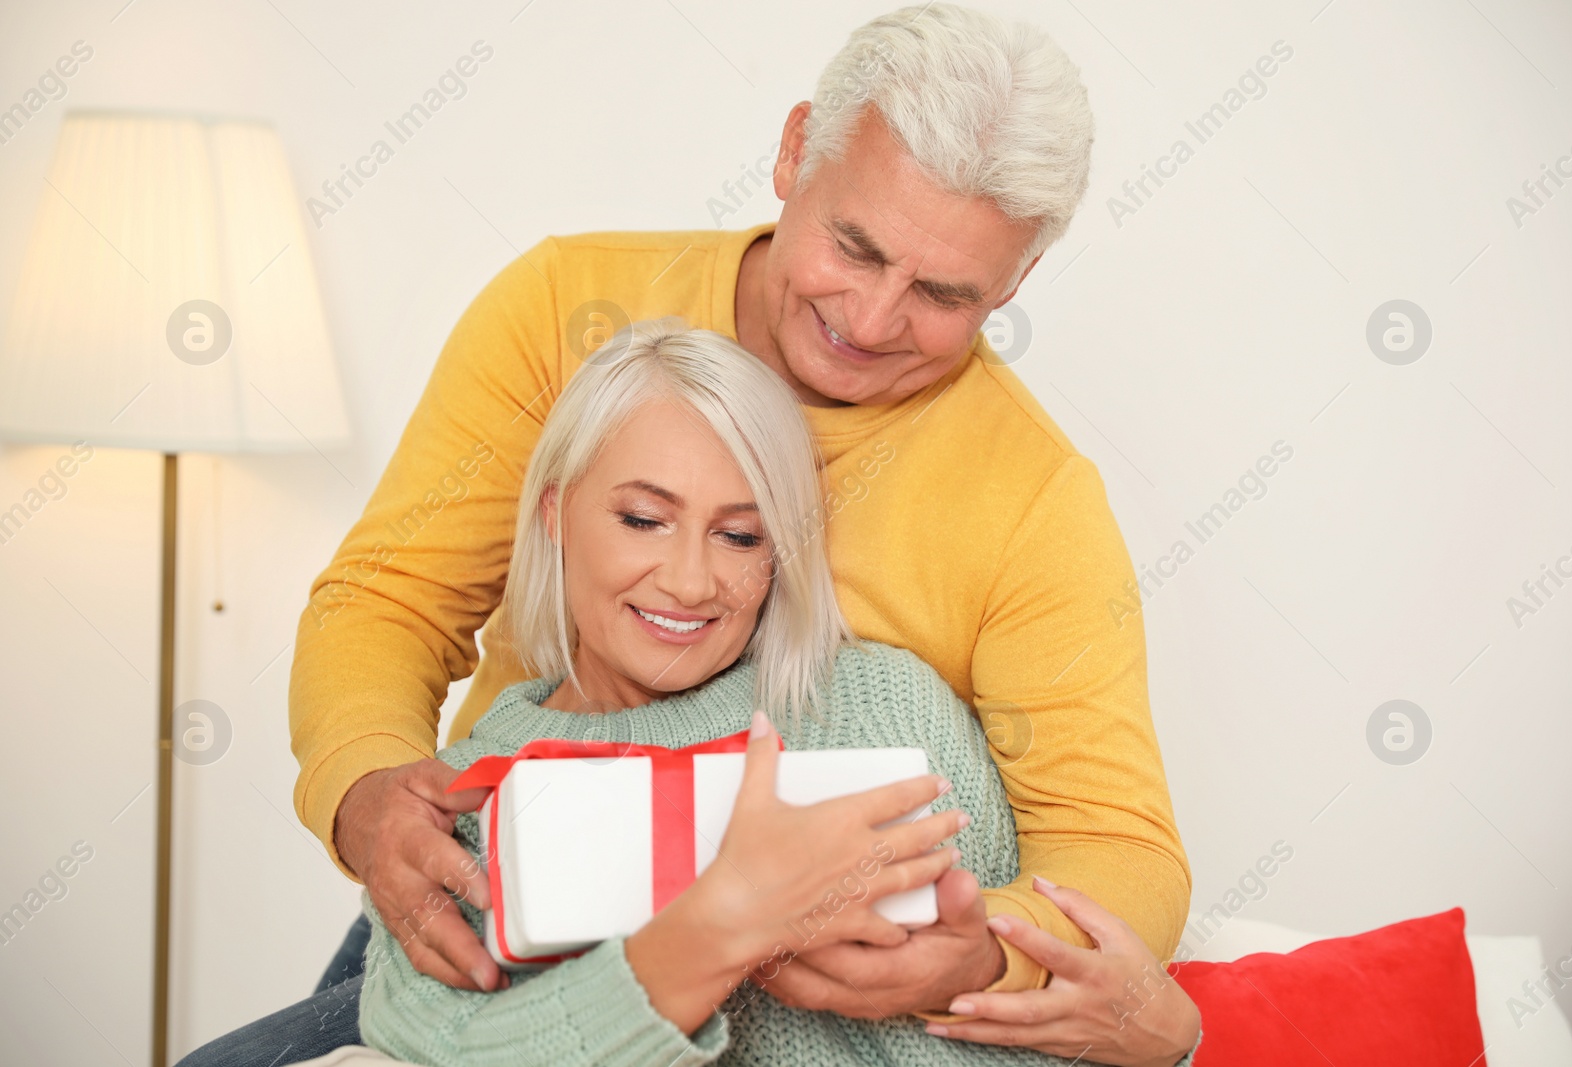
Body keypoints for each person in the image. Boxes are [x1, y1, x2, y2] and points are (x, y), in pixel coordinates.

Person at [259, 2, 1189, 1059]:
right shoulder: (563, 305)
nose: (872, 319)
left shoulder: (1032, 496)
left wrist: (987, 957)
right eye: (854, 244)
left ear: (1013, 284)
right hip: (499, 916)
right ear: (795, 150)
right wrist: (368, 793)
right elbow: (389, 599)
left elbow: (1117, 846)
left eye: (941, 293)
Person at [348, 321, 1203, 1065]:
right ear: (552, 512)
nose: (690, 581)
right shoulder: (457, 799)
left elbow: (1087, 1012)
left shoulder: (876, 704)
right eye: (642, 519)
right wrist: (714, 931)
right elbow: (445, 1052)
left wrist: (1017, 979)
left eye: (739, 534)